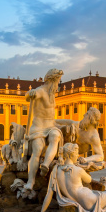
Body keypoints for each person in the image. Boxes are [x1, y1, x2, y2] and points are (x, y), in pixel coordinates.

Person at [21, 68, 65, 196]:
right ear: (52, 80)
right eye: (57, 81)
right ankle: (31, 181)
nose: (58, 84)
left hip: (50, 126)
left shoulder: (52, 94)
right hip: (38, 127)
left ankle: (45, 164)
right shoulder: (40, 91)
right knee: (38, 149)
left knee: (56, 136)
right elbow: (27, 96)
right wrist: (30, 93)